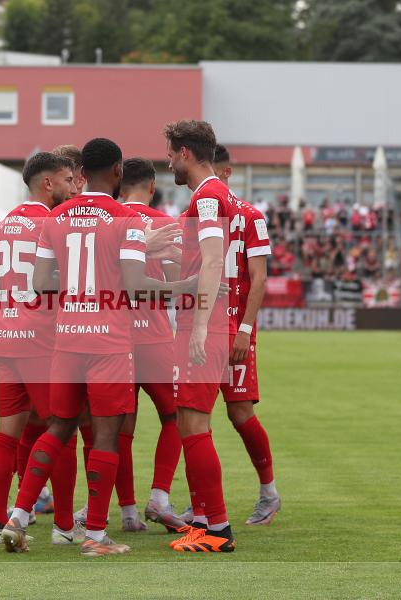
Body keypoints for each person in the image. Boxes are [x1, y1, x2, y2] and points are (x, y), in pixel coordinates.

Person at [1, 138, 193, 557]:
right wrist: (187, 286)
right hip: (108, 342)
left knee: (58, 427)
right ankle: (96, 536)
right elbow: (135, 285)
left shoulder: (56, 218)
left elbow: (38, 284)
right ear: (118, 172)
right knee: (106, 437)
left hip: (67, 340)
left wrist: (76, 282)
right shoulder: (123, 219)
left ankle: (17, 516)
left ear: (82, 173)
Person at [0, 152, 79, 545]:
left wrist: (8, 299)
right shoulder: (52, 223)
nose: (72, 187)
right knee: (61, 430)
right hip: (42, 342)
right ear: (47, 183)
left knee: (7, 434)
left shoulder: (8, 222)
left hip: (7, 339)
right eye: (67, 179)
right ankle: (65, 528)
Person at [165, 120, 237, 553]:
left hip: (202, 324)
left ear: (186, 153)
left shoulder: (209, 196)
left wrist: (203, 324)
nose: (169, 162)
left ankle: (217, 530)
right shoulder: (210, 196)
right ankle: (207, 522)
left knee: (193, 424)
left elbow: (212, 261)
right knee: (189, 423)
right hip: (203, 321)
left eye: (172, 154)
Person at [210, 145, 281, 525]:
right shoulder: (198, 211)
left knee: (239, 413)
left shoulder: (251, 215)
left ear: (225, 172)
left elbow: (259, 278)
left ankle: (269, 492)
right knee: (192, 416)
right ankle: (202, 501)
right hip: (203, 329)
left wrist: (245, 330)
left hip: (234, 328)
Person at [116, 157, 187, 533]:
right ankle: (159, 497)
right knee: (174, 416)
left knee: (119, 426)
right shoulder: (164, 224)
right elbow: (177, 284)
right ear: (151, 187)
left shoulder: (108, 222)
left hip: (114, 338)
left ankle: (127, 512)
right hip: (156, 336)